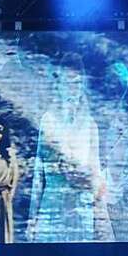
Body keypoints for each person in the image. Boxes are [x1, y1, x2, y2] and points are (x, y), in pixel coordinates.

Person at [28, 55, 109, 243]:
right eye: (67, 82)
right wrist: (33, 219)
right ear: (59, 85)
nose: (72, 88)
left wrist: (99, 217)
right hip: (52, 210)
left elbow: (96, 174)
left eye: (77, 83)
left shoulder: (90, 125)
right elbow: (38, 174)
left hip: (80, 212)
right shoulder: (48, 121)